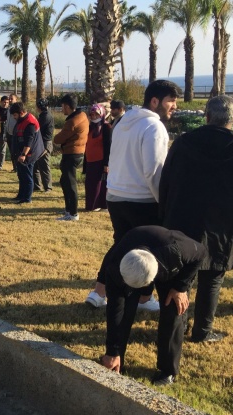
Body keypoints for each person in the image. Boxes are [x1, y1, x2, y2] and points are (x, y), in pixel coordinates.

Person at [85, 80, 179, 310]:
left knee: (122, 244)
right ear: (155, 101)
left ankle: (100, 292)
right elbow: (154, 170)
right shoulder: (154, 127)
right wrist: (163, 202)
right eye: (171, 101)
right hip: (142, 198)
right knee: (148, 249)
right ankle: (144, 299)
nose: (174, 107)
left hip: (116, 195)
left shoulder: (123, 121)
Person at [159, 95, 233, 343]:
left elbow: (167, 181)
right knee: (213, 276)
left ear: (206, 116)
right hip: (223, 225)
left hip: (183, 218)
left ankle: (178, 325)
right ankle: (202, 331)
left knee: (181, 275)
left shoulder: (184, 143)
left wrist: (164, 212)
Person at [98, 226, 205, 386]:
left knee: (173, 310)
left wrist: (180, 287)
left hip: (169, 267)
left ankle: (168, 370)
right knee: (125, 310)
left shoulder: (175, 250)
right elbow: (115, 310)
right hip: (133, 264)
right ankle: (117, 360)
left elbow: (201, 253)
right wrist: (113, 351)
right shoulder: (114, 265)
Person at [53, 94, 87, 221]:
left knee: (70, 184)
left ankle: (73, 213)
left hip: (71, 154)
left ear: (67, 106)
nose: (62, 109)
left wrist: (59, 137)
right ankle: (69, 209)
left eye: (62, 106)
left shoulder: (72, 121)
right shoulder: (82, 116)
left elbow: (58, 139)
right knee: (64, 181)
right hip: (78, 153)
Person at [9, 102, 45, 204]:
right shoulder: (22, 119)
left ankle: (27, 198)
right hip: (21, 153)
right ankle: (21, 195)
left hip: (28, 154)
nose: (14, 117)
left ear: (21, 113)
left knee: (27, 176)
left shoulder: (30, 123)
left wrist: (23, 154)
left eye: (15, 115)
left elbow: (29, 141)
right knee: (21, 175)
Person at [83, 104, 111, 212]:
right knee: (90, 184)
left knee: (101, 184)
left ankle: (102, 205)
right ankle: (91, 205)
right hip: (90, 160)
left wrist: (106, 163)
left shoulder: (106, 127)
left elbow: (108, 146)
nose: (94, 117)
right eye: (92, 114)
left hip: (101, 161)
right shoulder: (90, 127)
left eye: (96, 114)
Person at [34, 98, 54, 192]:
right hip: (41, 142)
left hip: (45, 143)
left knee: (44, 165)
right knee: (36, 165)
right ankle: (37, 185)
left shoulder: (45, 116)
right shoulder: (44, 115)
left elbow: (38, 129)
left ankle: (48, 187)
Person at [0, 96, 10, 170]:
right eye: (4, 102)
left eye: (7, 102)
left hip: (4, 132)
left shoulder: (9, 111)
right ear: (0, 102)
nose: (5, 104)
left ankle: (0, 165)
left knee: (3, 150)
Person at [4, 93, 19, 172]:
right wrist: (5, 133)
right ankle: (14, 167)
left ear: (16, 100)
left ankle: (17, 167)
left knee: (16, 152)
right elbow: (7, 122)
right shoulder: (9, 109)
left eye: (11, 99)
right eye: (9, 98)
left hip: (15, 134)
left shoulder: (18, 109)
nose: (9, 100)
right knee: (12, 152)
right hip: (9, 134)